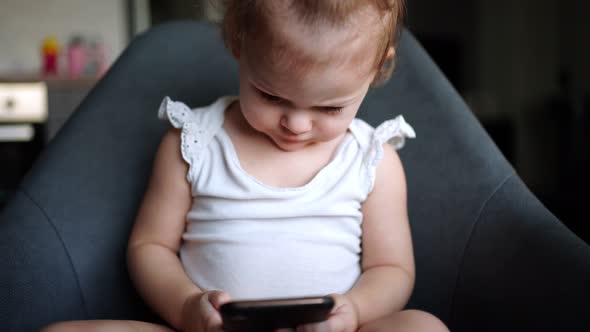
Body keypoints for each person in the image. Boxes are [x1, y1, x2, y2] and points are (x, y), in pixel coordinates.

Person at [42, 0, 449, 331]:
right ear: (239, 41)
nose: (297, 124)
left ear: (378, 68)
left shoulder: (372, 161)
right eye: (271, 96)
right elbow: (149, 247)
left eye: (329, 107)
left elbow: (391, 268)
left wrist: (355, 310)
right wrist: (187, 307)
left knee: (424, 328)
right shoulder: (193, 144)